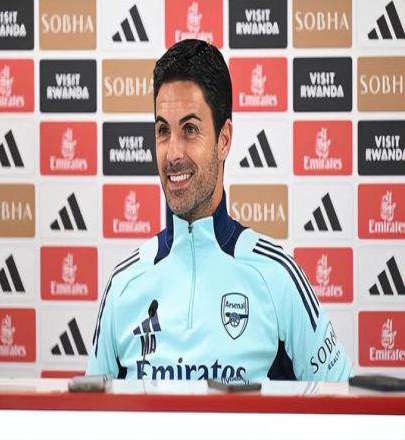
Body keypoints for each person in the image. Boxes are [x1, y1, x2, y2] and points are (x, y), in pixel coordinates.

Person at [87, 39, 352, 383]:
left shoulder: (277, 278)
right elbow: (90, 411)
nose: (172, 153)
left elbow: (344, 403)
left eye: (190, 130)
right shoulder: (124, 284)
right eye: (163, 131)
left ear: (224, 139)